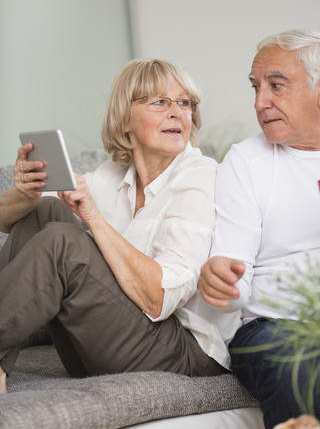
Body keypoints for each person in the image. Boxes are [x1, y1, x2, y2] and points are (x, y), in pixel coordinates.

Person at [0, 58, 228, 395]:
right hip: (103, 344)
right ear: (125, 121)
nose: (177, 112)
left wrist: (93, 218)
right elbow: (8, 221)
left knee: (65, 243)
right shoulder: (112, 175)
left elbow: (159, 301)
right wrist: (25, 192)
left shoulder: (200, 178)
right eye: (160, 102)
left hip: (181, 353)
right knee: (43, 211)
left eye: (184, 103)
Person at [198, 29, 320, 429]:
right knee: (299, 361)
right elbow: (235, 277)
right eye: (256, 87)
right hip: (272, 327)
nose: (259, 102)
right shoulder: (247, 162)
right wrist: (224, 282)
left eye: (276, 86)